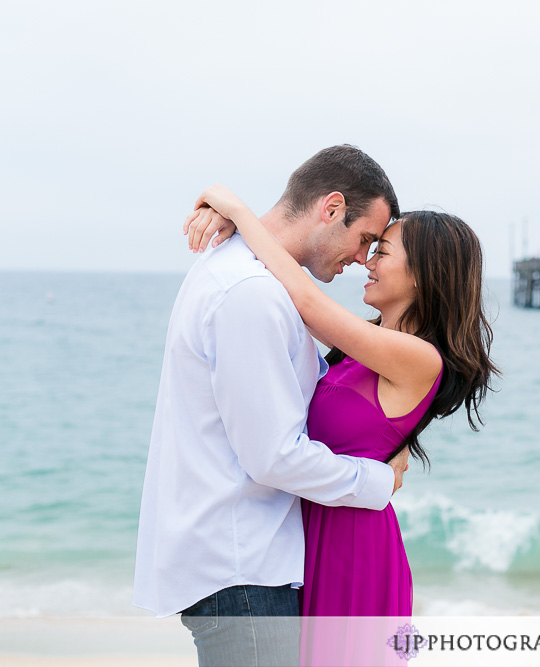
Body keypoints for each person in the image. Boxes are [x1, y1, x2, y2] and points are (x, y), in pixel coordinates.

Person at [185, 184, 498, 665]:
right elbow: (295, 312)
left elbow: (306, 300)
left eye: (383, 250)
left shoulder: (418, 357)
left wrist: (242, 216)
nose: (366, 261)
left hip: (354, 548)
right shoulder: (365, 345)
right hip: (314, 531)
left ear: (423, 275)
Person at [133, 146, 410, 667]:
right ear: (331, 208)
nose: (360, 259)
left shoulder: (244, 271)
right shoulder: (253, 293)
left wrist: (233, 209)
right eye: (364, 239)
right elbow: (274, 456)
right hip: (242, 569)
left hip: (241, 564)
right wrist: (379, 481)